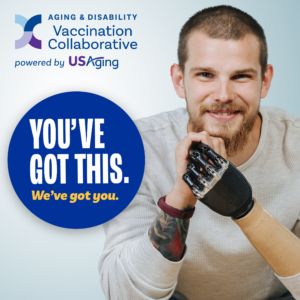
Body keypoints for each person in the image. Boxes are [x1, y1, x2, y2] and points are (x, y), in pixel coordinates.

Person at [98, 5, 300, 300]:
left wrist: (244, 209)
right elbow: (124, 292)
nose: (223, 95)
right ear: (180, 81)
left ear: (265, 81)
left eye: (241, 76)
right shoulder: (135, 149)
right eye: (206, 74)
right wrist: (180, 198)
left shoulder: (294, 144)